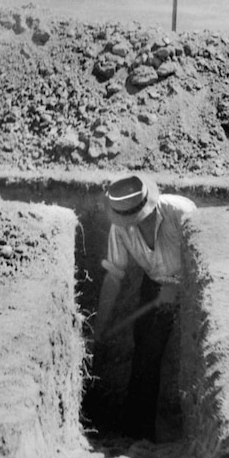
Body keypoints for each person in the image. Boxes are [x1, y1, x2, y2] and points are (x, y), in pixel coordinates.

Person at [93, 174, 196, 442]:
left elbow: (203, 257)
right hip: (153, 287)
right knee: (144, 354)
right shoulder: (119, 226)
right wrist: (100, 326)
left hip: (191, 289)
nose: (133, 225)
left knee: (171, 354)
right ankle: (137, 430)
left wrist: (179, 287)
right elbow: (114, 275)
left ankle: (168, 431)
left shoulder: (179, 212)